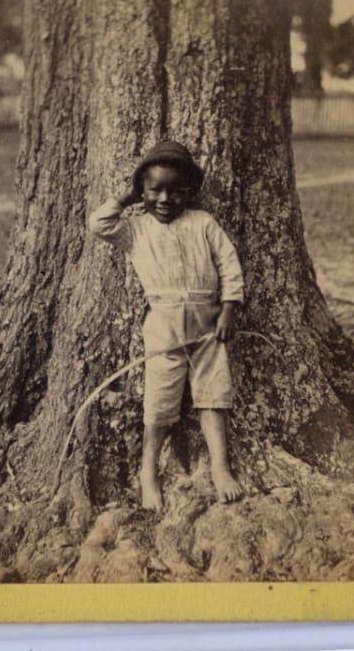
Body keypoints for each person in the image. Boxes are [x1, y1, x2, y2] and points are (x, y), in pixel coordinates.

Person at [87, 140, 245, 510]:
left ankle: (220, 467)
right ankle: (148, 472)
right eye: (155, 189)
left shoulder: (203, 223)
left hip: (208, 322)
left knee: (214, 394)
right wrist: (128, 198)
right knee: (159, 402)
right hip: (163, 324)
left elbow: (229, 264)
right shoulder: (136, 229)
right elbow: (98, 224)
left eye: (176, 190)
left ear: (189, 191)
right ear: (142, 190)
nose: (165, 198)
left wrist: (228, 309)